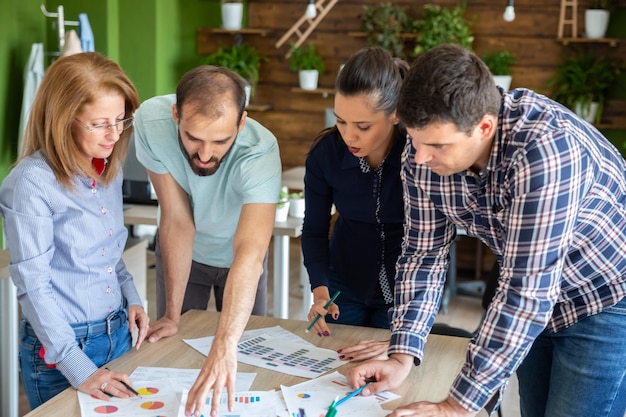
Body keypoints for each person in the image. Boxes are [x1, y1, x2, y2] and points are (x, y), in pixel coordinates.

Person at [347, 44, 626, 417]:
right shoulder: (423, 152)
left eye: (436, 145)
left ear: (484, 127)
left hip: (608, 295)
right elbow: (422, 255)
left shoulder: (545, 150)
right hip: (540, 295)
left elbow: (526, 293)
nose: (419, 158)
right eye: (413, 138)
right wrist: (402, 355)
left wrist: (456, 406)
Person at [0, 52, 150, 410]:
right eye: (99, 123)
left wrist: (132, 298)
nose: (114, 134)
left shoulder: (105, 167)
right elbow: (33, 285)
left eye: (120, 119)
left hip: (118, 334)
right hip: (65, 349)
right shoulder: (31, 183)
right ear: (63, 120)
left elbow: (109, 254)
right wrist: (79, 369)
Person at [132, 65, 281, 417]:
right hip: (186, 253)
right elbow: (177, 219)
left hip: (239, 262)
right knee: (172, 351)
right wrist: (170, 314)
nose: (203, 154)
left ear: (241, 124)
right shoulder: (151, 122)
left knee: (236, 357)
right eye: (193, 137)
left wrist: (225, 344)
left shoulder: (261, 152)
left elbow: (251, 252)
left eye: (220, 141)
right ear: (176, 115)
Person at [301, 47, 407, 342]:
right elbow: (313, 230)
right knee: (334, 368)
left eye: (362, 126)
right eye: (340, 121)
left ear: (395, 114)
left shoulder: (419, 154)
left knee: (389, 379)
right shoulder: (326, 155)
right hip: (341, 286)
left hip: (405, 292)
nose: (349, 136)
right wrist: (320, 293)